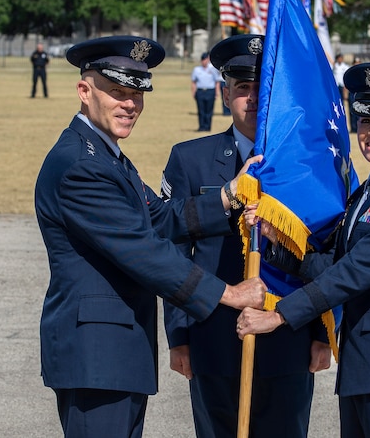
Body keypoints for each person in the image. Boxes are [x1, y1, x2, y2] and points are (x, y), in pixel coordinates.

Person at [34, 35, 266, 438]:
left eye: (137, 93)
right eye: (118, 92)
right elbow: (145, 251)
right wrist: (230, 294)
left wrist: (228, 196)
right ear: (84, 91)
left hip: (114, 354)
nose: (130, 104)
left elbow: (160, 218)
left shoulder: (104, 155)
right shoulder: (81, 165)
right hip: (96, 356)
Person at [237, 62, 370, 438]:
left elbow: (354, 273)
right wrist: (274, 243)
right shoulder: (368, 192)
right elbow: (335, 264)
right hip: (364, 369)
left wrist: (280, 315)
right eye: (365, 122)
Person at [160, 34, 331, 438]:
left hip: (288, 334)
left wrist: (323, 333)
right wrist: (179, 336)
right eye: (242, 88)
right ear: (224, 93)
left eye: (263, 89)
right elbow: (173, 251)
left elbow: (326, 248)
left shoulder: (308, 165)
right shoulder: (190, 158)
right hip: (211, 336)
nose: (252, 99)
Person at [190, 51, 220, 131]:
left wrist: (217, 93)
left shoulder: (212, 70)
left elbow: (217, 81)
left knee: (209, 111)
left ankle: (207, 127)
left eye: (206, 59)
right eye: (203, 60)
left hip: (210, 91)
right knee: (201, 110)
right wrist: (193, 92)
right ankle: (201, 126)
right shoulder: (197, 70)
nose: (204, 61)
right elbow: (193, 82)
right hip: (200, 91)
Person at [333, 53, 355, 133]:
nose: (340, 60)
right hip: (336, 86)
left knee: (343, 104)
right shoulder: (334, 66)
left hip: (343, 86)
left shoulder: (345, 67)